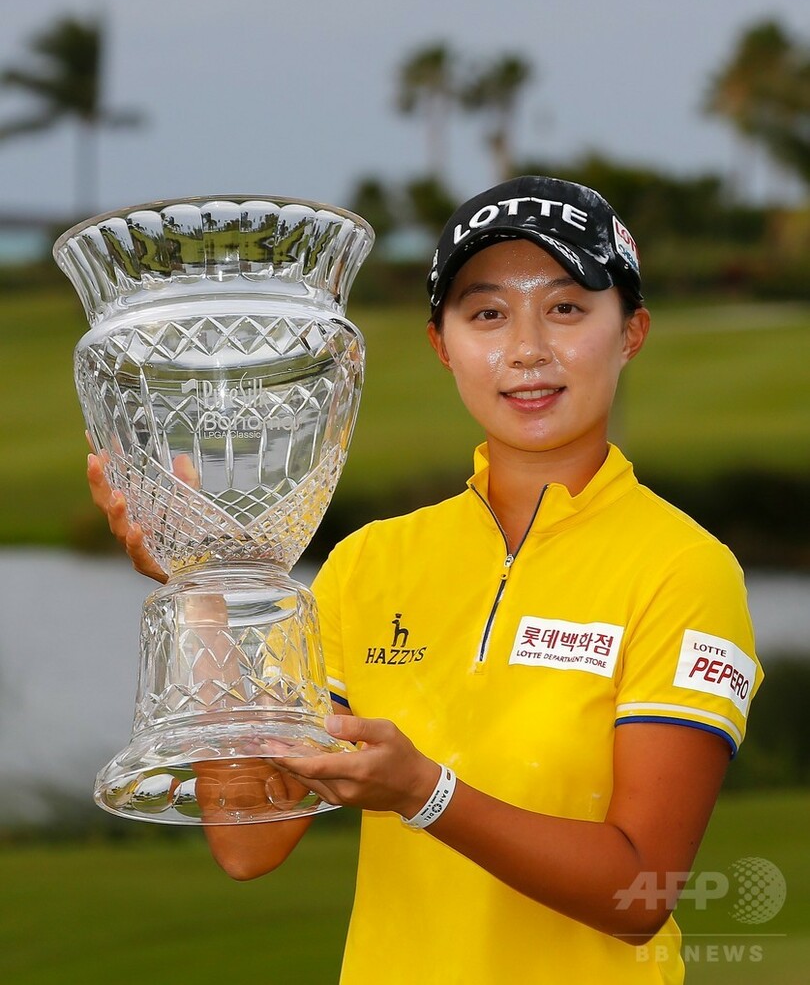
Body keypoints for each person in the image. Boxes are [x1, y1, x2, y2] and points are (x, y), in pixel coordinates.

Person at [88, 175, 763, 984]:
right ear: (442, 344)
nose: (526, 349)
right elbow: (248, 842)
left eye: (566, 308)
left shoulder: (683, 568)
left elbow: (638, 891)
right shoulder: (371, 562)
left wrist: (423, 792)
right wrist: (205, 588)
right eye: (487, 314)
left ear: (632, 331)